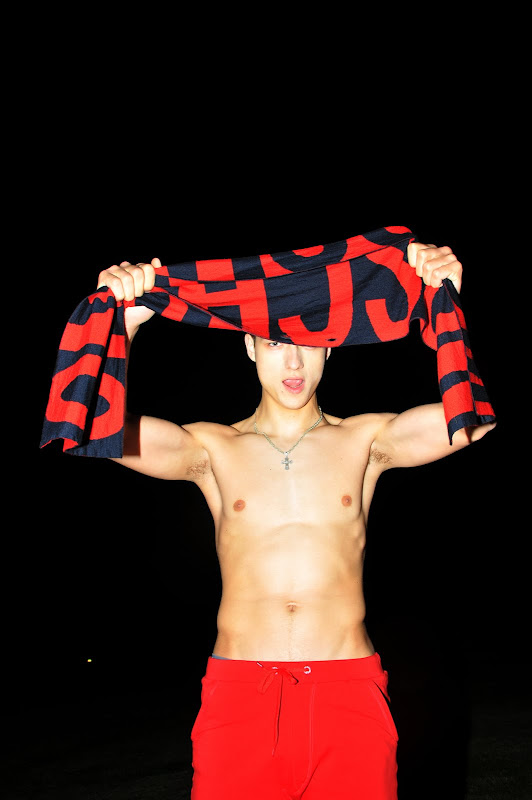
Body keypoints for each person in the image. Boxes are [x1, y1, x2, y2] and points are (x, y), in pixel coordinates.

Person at [95, 241, 495, 800]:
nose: (293, 362)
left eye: (309, 342)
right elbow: (95, 429)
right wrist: (124, 325)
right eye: (276, 342)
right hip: (240, 696)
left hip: (347, 692)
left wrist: (442, 301)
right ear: (249, 346)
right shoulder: (211, 449)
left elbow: (472, 420)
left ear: (331, 347)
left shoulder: (366, 440)